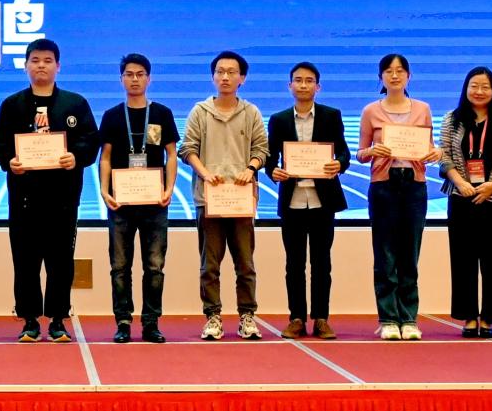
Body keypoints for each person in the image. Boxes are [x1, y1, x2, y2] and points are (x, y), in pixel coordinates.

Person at [0, 38, 99, 343]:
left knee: (61, 261)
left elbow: (91, 140)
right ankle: (29, 320)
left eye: (47, 60)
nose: (41, 65)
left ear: (58, 66)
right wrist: (9, 162)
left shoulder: (75, 104)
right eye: (35, 60)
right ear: (26, 65)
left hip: (63, 198)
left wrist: (75, 156)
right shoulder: (12, 105)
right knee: (25, 260)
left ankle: (58, 319)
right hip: (24, 199)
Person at [180, 51, 268, 341]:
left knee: (245, 264)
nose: (225, 77)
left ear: (242, 78)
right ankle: (213, 317)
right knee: (210, 265)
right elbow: (187, 149)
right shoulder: (200, 112)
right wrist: (205, 174)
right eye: (220, 71)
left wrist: (250, 169)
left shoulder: (251, 112)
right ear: (213, 77)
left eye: (232, 72)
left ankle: (247, 316)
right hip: (209, 199)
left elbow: (262, 150)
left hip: (241, 200)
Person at [357, 52, 441, 341]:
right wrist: (372, 151)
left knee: (409, 253)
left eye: (400, 70)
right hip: (384, 185)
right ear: (381, 77)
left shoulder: (423, 109)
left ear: (409, 76)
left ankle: (409, 318)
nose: (394, 75)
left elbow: (430, 146)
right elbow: (360, 154)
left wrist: (435, 153)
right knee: (385, 254)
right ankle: (388, 318)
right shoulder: (371, 111)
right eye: (389, 71)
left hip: (414, 185)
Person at [265, 61, 350, 341]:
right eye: (298, 80)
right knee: (294, 264)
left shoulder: (331, 115)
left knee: (322, 263)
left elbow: (344, 153)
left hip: (322, 201)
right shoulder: (278, 120)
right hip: (292, 201)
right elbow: (270, 159)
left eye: (309, 80)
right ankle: (297, 318)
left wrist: (339, 164)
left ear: (318, 86)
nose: (303, 85)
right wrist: (273, 172)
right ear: (289, 86)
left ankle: (322, 318)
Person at [96, 53, 178, 344]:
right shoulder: (112, 115)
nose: (135, 79)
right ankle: (123, 322)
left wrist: (169, 189)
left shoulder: (162, 114)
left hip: (155, 203)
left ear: (149, 78)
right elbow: (105, 158)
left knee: (154, 266)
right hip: (121, 203)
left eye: (140, 74)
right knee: (120, 267)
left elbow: (171, 155)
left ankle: (151, 322)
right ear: (121, 79)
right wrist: (104, 190)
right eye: (129, 74)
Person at [441, 66, 492, 339]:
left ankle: (488, 317)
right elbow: (444, 156)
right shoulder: (452, 119)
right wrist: (461, 183)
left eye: (485, 87)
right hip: (460, 198)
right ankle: (468, 317)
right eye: (474, 86)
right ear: (466, 88)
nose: (479, 91)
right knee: (462, 261)